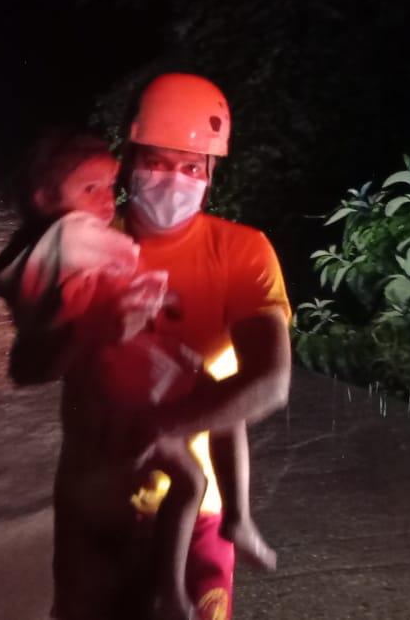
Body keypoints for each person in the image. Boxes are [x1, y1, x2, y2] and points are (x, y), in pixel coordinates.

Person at [0, 134, 208, 620]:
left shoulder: (229, 247)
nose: (108, 200)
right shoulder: (74, 242)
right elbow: (27, 366)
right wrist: (97, 329)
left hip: (155, 466)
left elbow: (264, 384)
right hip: (99, 468)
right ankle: (171, 589)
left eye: (111, 187)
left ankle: (174, 585)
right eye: (92, 189)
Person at [120, 73, 291, 619]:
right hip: (100, 508)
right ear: (129, 156)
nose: (173, 180)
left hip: (203, 517)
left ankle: (237, 522)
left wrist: (168, 427)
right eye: (157, 161)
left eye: (192, 166)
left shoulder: (241, 252)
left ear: (212, 172)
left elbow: (271, 382)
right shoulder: (92, 245)